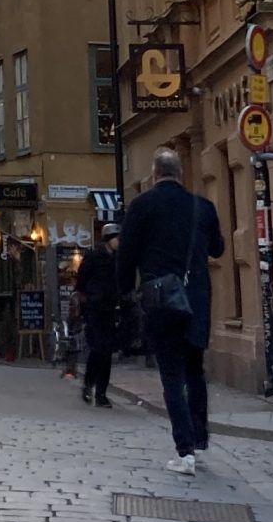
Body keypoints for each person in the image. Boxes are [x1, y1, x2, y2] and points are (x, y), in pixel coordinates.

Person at [116, 147, 225, 474]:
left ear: (154, 174)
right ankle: (199, 438)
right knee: (195, 369)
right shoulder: (202, 207)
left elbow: (127, 255)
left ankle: (185, 450)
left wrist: (124, 293)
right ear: (180, 174)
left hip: (162, 300)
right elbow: (218, 248)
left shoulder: (143, 205)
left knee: (172, 375)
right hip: (197, 301)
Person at [76, 224, 120, 409]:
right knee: (97, 350)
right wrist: (87, 299)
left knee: (107, 352)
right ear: (108, 238)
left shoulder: (118, 258)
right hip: (94, 309)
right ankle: (88, 384)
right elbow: (81, 279)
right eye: (117, 237)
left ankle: (101, 393)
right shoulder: (94, 256)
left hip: (111, 309)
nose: (120, 241)